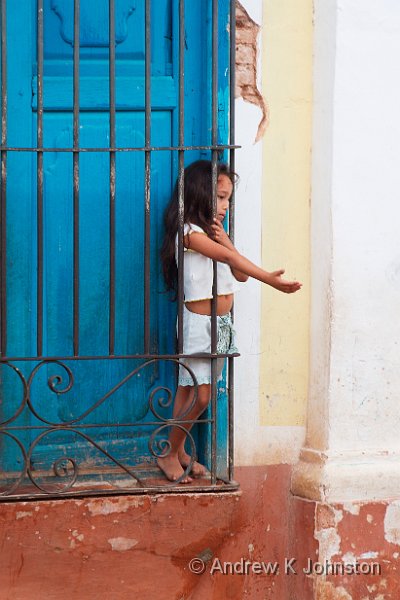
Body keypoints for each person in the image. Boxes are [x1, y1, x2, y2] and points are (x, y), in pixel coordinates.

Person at [158, 159, 302, 483]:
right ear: (199, 194)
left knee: (186, 391)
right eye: (220, 197)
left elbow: (237, 272)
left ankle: (177, 450)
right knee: (201, 395)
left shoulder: (215, 235)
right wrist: (270, 279)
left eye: (228, 200)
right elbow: (226, 260)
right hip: (198, 324)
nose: (225, 206)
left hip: (221, 326)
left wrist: (227, 241)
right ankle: (168, 454)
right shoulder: (189, 232)